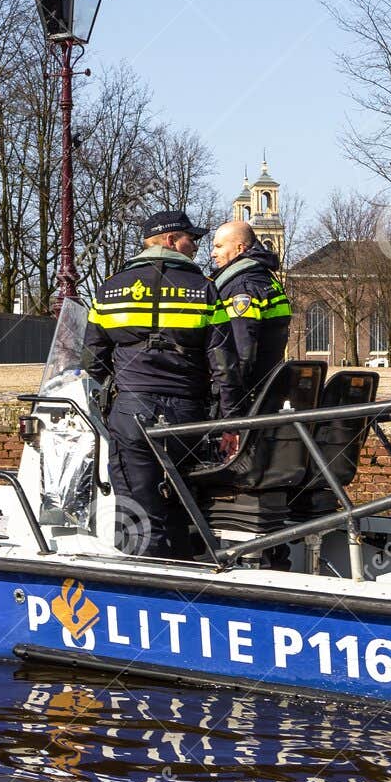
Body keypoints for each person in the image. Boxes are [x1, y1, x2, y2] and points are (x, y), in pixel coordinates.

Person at [83, 209, 242, 556]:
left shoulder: (109, 290)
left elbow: (91, 360)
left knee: (136, 505)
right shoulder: (205, 290)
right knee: (183, 500)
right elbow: (224, 364)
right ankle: (184, 575)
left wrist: (115, 393)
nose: (196, 246)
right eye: (191, 239)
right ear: (171, 240)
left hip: (131, 410)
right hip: (188, 413)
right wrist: (230, 422)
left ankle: (141, 581)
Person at [210, 220, 292, 405]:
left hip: (249, 396)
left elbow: (242, 352)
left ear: (239, 248)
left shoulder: (242, 286)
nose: (213, 253)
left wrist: (229, 401)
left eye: (219, 246)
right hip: (268, 391)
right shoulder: (266, 279)